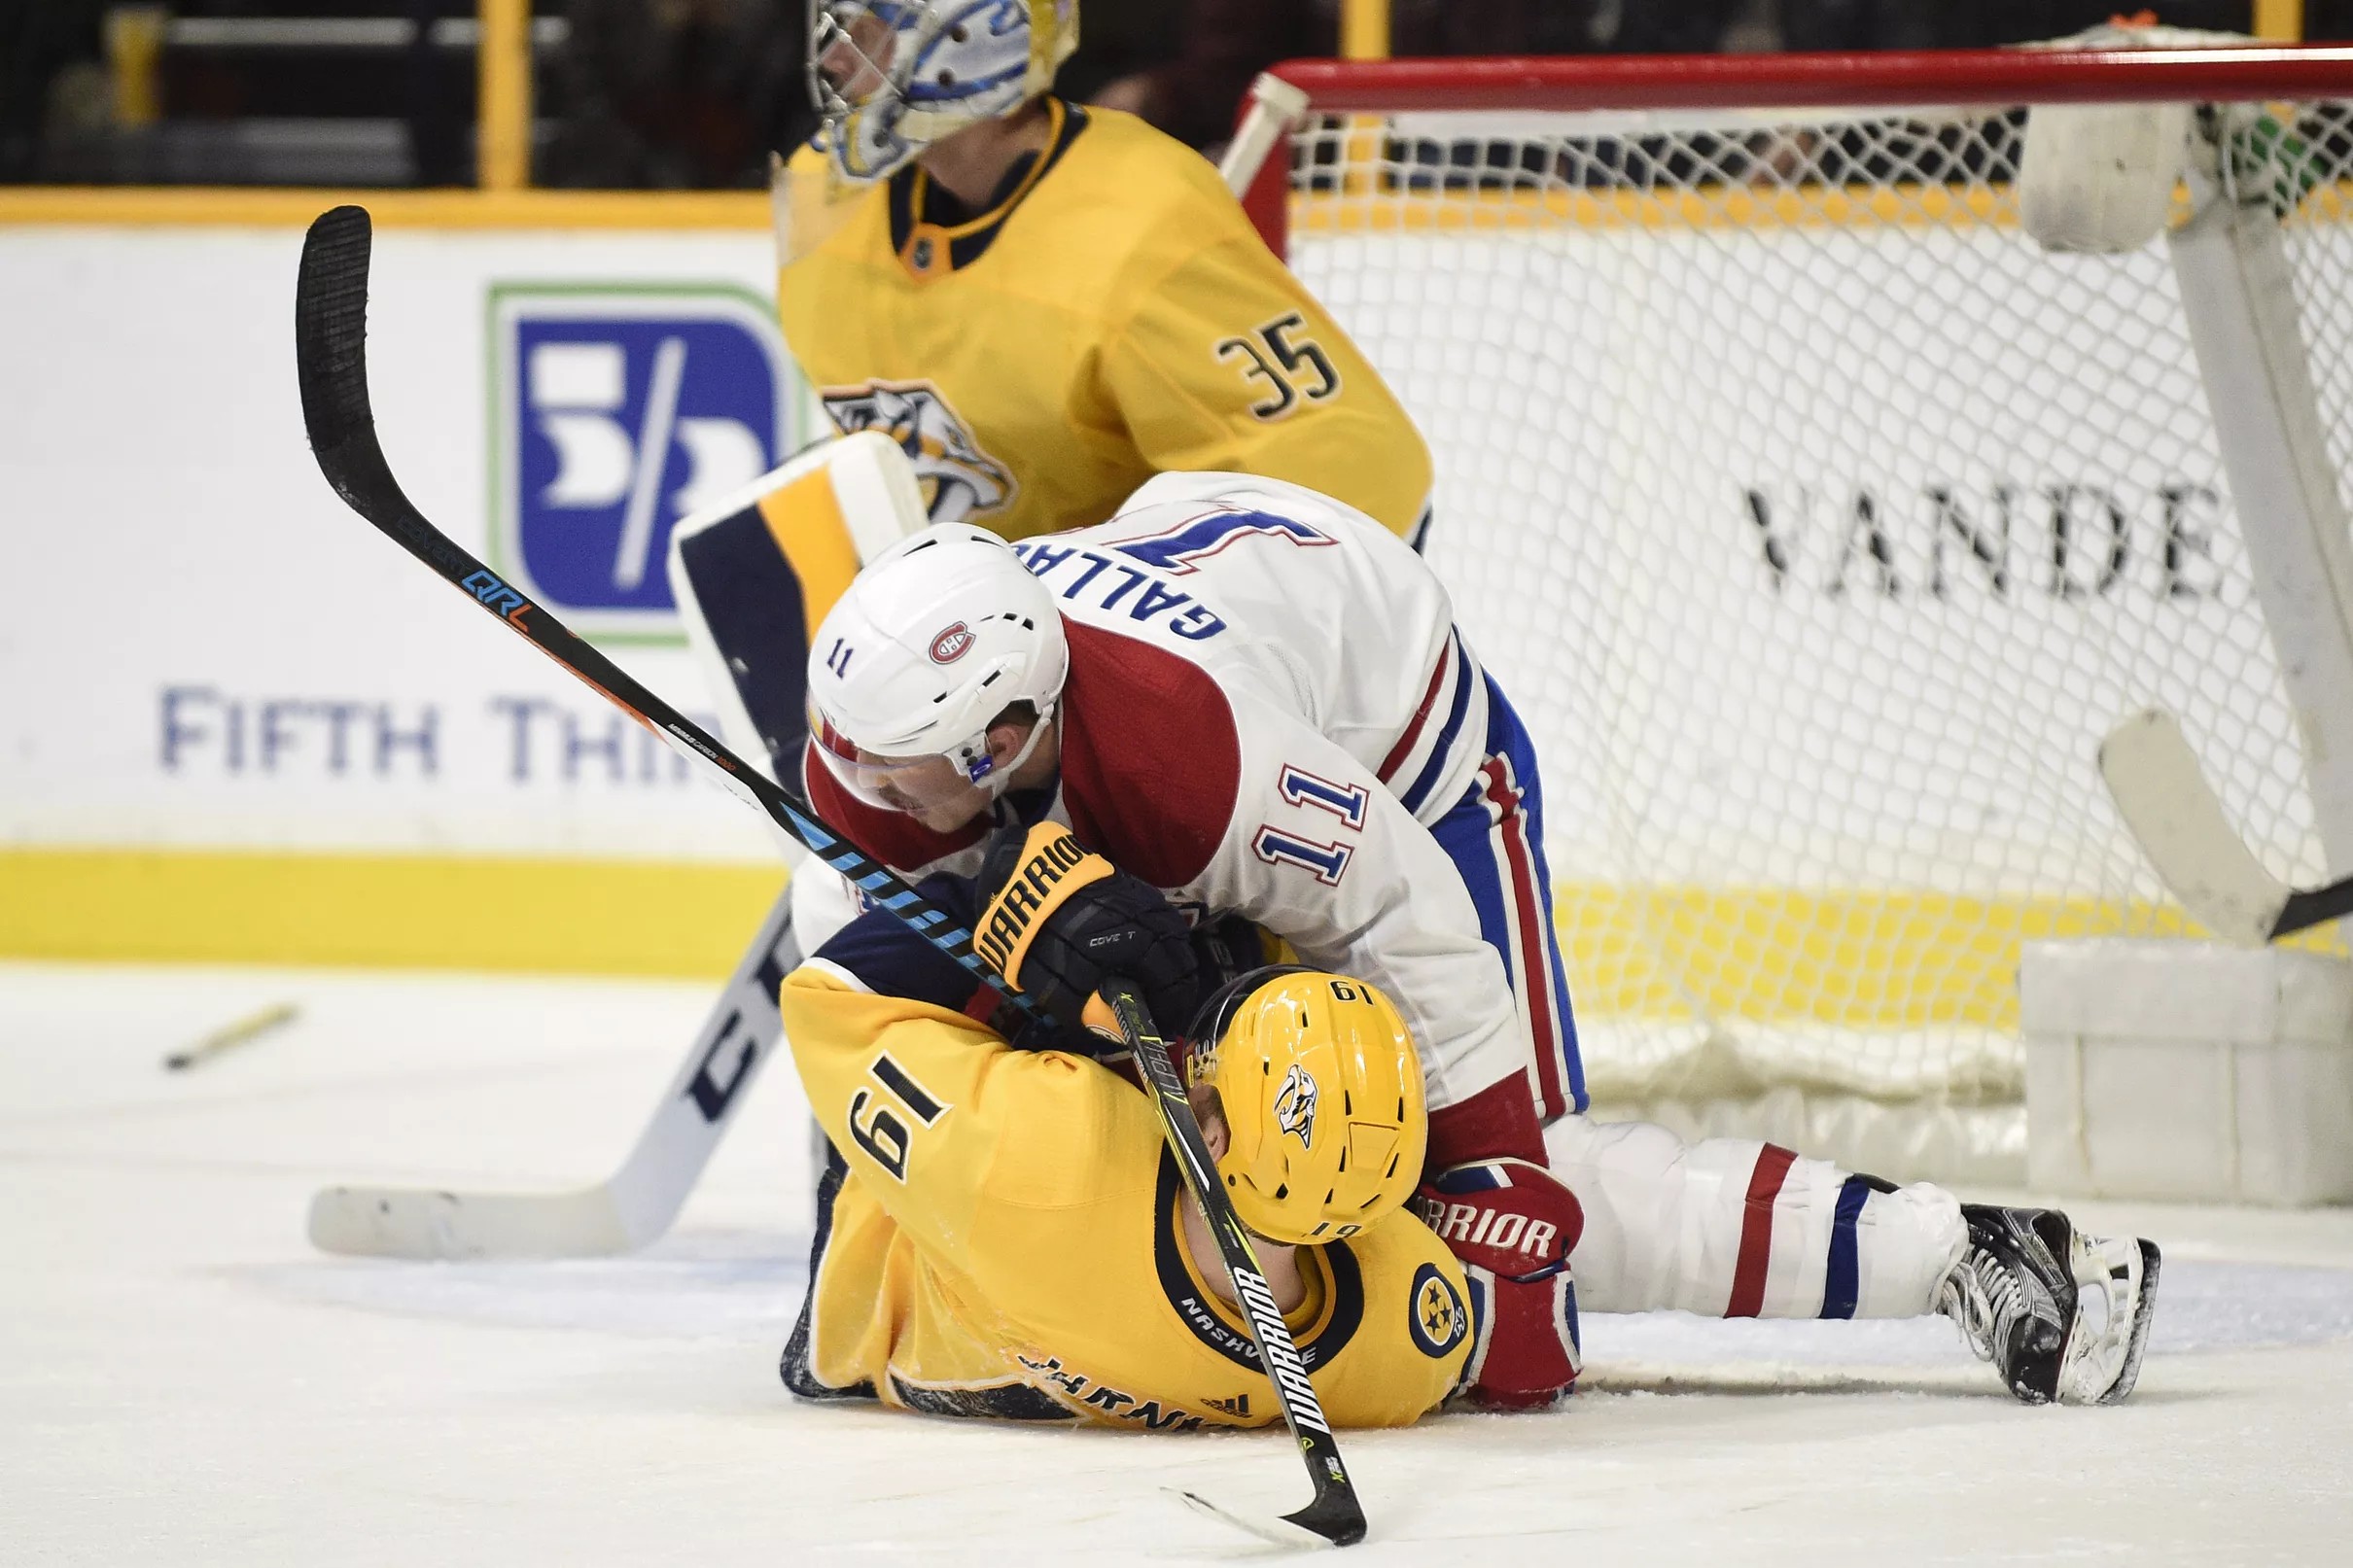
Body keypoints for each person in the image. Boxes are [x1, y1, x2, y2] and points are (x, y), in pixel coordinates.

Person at [795, 470, 2165, 1410]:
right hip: (1217, 609)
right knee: (1224, 1099)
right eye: (854, 760)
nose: (865, 796)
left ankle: (1968, 1250)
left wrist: (1496, 1167)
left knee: (1519, 1266)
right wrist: (838, 1244)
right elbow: (858, 989)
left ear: (1013, 737)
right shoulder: (877, 757)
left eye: (901, 774)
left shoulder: (1195, 753)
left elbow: (1402, 912)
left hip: (1395, 743)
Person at [777, 886, 1478, 1426]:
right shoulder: (1408, 1337)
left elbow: (827, 998)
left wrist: (1009, 902)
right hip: (1041, 1320)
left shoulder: (1045, 1146)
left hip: (880, 1279)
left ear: (1213, 1139)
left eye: (1200, 1073)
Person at [772, 0, 1435, 548]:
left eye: (867, 37)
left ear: (969, 45)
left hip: (1108, 648)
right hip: (949, 635)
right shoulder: (821, 200)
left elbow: (1361, 480)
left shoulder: (1142, 217)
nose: (835, 62)